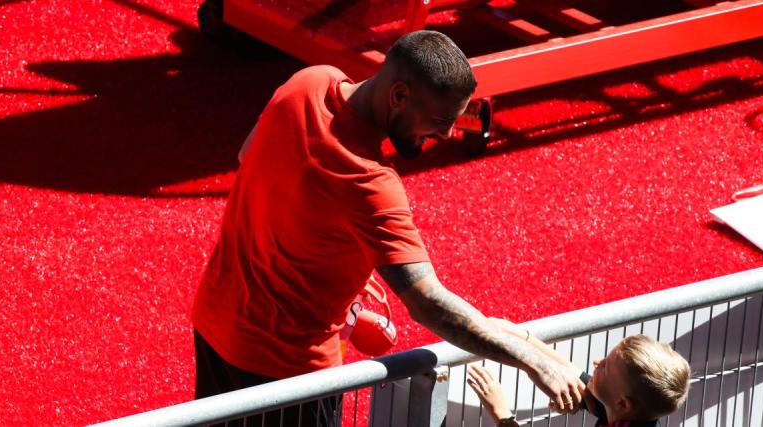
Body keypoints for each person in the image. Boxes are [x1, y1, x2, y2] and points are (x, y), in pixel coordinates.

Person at [191, 30, 585, 426]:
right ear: (399, 96)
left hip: (214, 326)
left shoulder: (309, 81)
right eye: (441, 119)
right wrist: (535, 362)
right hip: (286, 373)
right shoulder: (371, 184)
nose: (447, 133)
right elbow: (428, 303)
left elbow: (250, 156)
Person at [467, 320, 690, 427]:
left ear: (622, 404)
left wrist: (501, 413)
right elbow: (568, 368)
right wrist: (515, 335)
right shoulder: (635, 415)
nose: (596, 362)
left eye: (604, 367)